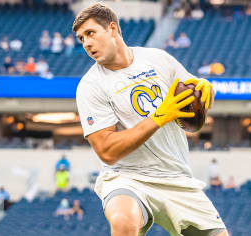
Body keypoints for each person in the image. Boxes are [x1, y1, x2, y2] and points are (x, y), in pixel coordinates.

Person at [73, 3, 225, 236]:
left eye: (91, 33)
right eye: (81, 39)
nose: (86, 43)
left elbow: (192, 105)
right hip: (127, 178)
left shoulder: (158, 59)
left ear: (112, 29)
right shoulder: (90, 86)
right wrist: (159, 117)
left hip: (177, 177)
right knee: (123, 222)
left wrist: (206, 93)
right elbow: (107, 151)